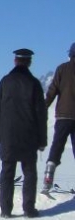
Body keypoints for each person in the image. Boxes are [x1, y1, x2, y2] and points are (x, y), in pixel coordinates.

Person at [0, 49, 47, 218]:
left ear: (15, 61)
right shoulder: (34, 84)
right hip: (29, 135)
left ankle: (6, 210)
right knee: (29, 172)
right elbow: (41, 114)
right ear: (29, 62)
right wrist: (42, 139)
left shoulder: (5, 82)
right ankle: (29, 209)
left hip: (7, 135)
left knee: (7, 171)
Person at [42, 42, 75, 193]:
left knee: (57, 146)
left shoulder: (62, 69)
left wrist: (43, 108)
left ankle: (49, 174)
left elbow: (52, 90)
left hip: (63, 116)